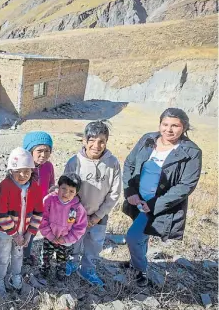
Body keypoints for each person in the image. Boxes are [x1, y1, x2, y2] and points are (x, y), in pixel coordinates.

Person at [122, 108, 202, 287]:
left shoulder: (191, 152)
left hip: (158, 204)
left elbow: (185, 186)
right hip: (137, 199)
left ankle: (139, 271)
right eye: (165, 124)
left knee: (133, 237)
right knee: (141, 234)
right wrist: (130, 192)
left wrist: (155, 204)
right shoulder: (147, 139)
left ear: (184, 127)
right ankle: (135, 262)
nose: (169, 129)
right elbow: (129, 163)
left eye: (175, 125)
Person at [64, 120, 122, 286]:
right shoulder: (74, 162)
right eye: (92, 140)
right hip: (76, 213)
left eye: (101, 141)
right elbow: (66, 190)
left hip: (99, 215)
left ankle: (88, 268)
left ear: (106, 142)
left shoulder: (112, 163)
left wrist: (97, 216)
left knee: (95, 243)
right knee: (74, 240)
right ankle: (72, 262)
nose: (96, 145)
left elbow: (115, 192)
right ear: (84, 141)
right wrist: (79, 213)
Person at [0, 147, 44, 295]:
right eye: (18, 171)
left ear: (32, 171)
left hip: (23, 233)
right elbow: (1, 213)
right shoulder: (5, 186)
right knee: (2, 257)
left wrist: (29, 234)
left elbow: (38, 212)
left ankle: (15, 275)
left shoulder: (35, 187)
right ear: (11, 171)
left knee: (18, 255)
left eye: (27, 171)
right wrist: (15, 234)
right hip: (6, 232)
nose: (23, 175)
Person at [38, 173, 88, 281]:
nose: (66, 193)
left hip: (65, 241)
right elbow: (42, 219)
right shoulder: (49, 200)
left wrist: (66, 239)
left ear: (76, 193)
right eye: (63, 188)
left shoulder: (77, 208)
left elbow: (80, 228)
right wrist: (50, 235)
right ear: (58, 187)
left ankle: (60, 276)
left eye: (71, 191)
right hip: (49, 237)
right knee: (45, 256)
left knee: (62, 260)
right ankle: (43, 273)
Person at [22, 131, 55, 266]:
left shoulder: (48, 166)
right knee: (21, 233)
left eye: (47, 151)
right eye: (39, 151)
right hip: (24, 208)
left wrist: (53, 191)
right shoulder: (23, 168)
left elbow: (51, 184)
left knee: (32, 233)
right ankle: (17, 258)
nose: (43, 155)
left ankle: (26, 256)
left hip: (40, 209)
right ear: (30, 150)